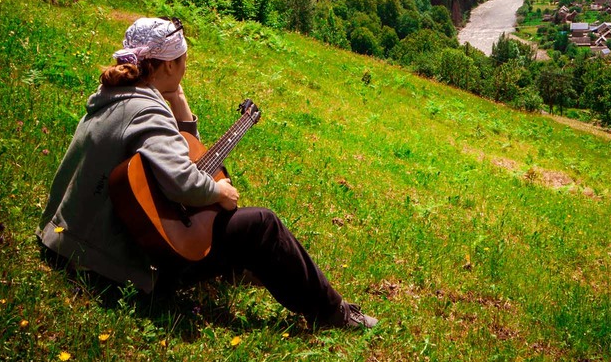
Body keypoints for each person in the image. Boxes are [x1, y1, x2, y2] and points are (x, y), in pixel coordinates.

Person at [38, 17, 377, 329]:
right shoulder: (148, 112)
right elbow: (184, 182)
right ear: (169, 64)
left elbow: (181, 152)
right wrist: (220, 192)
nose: (185, 67)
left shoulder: (116, 96)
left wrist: (179, 103)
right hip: (110, 262)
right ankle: (335, 314)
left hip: (66, 240)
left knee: (219, 223)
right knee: (262, 224)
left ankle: (244, 269)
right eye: (183, 60)